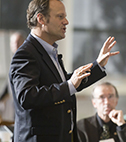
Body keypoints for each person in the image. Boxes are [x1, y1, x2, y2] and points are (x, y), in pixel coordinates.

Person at [9, 0, 119, 142]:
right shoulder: (26, 54)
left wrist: (97, 65)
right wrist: (69, 86)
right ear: (41, 19)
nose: (66, 22)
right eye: (60, 16)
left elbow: (64, 84)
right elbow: (27, 96)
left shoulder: (49, 51)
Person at [0, 31, 25, 124]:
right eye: (13, 42)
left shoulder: (26, 59)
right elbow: (8, 85)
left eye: (18, 42)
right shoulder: (13, 59)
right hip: (13, 106)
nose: (16, 45)